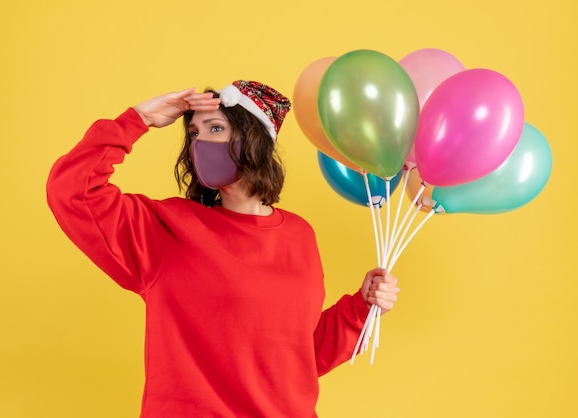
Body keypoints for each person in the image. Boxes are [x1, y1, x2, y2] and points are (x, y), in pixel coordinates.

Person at [46, 80, 400, 417]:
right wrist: (138, 119)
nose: (200, 143)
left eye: (215, 128)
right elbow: (72, 190)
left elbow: (299, 357)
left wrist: (362, 308)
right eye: (194, 134)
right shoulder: (166, 228)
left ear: (255, 140)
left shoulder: (300, 234)